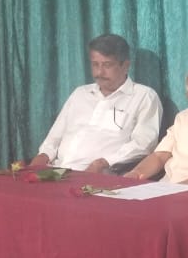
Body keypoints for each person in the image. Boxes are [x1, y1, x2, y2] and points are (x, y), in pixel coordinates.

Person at [29, 33, 161, 173]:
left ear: (125, 65)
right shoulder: (80, 93)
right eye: (95, 64)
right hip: (56, 171)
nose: (99, 72)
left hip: (99, 175)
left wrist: (103, 162)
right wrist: (43, 156)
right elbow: (54, 137)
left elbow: (143, 144)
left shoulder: (144, 96)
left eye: (107, 65)